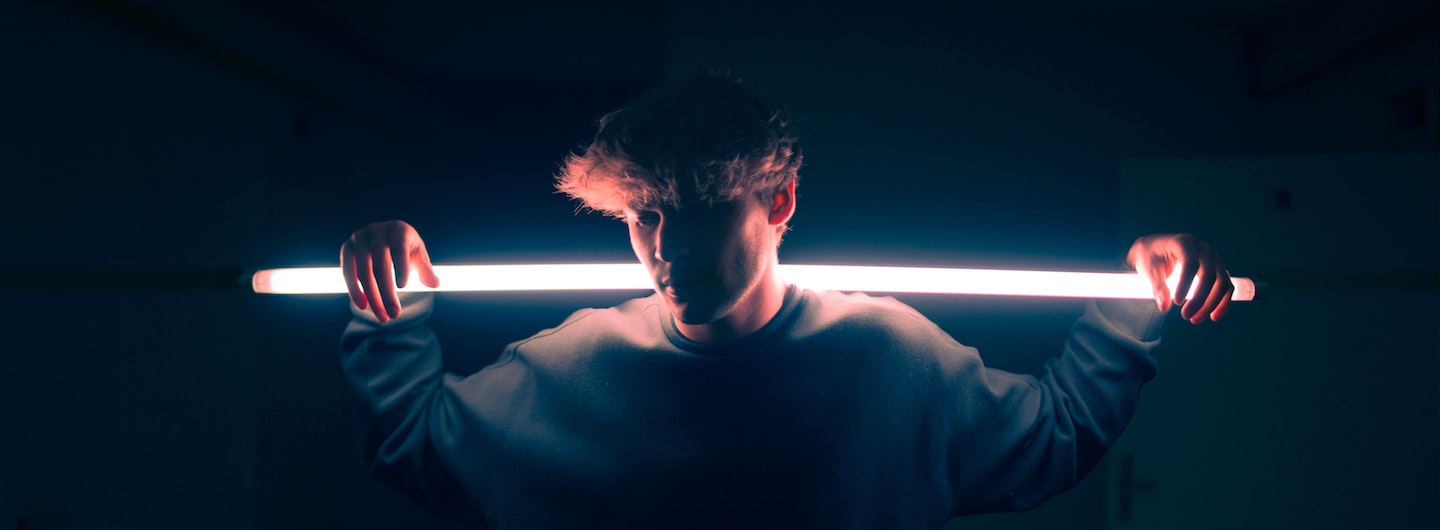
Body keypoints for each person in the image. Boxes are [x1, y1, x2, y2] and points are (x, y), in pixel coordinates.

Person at [337, 73, 1233, 529]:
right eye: (646, 215)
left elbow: (1055, 437)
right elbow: (417, 447)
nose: (670, 248)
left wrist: (1134, 291)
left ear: (779, 203)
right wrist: (390, 296)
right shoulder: (566, 368)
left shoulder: (890, 356)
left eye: (703, 211)